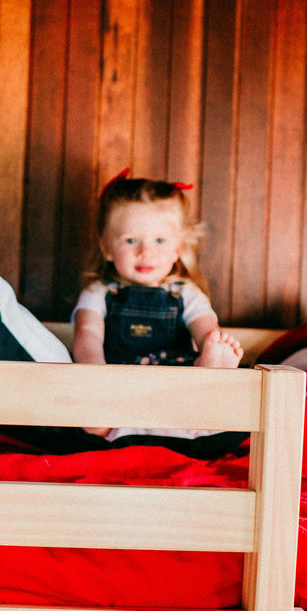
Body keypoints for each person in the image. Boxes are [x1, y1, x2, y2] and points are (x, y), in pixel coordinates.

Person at [72, 174, 242, 437]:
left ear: (178, 249)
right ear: (107, 247)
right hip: (118, 390)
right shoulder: (99, 292)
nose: (146, 252)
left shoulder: (186, 293)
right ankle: (115, 426)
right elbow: (88, 333)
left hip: (176, 388)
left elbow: (208, 329)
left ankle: (208, 376)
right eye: (131, 241)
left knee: (213, 402)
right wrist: (95, 371)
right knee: (86, 419)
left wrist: (212, 346)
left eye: (160, 241)